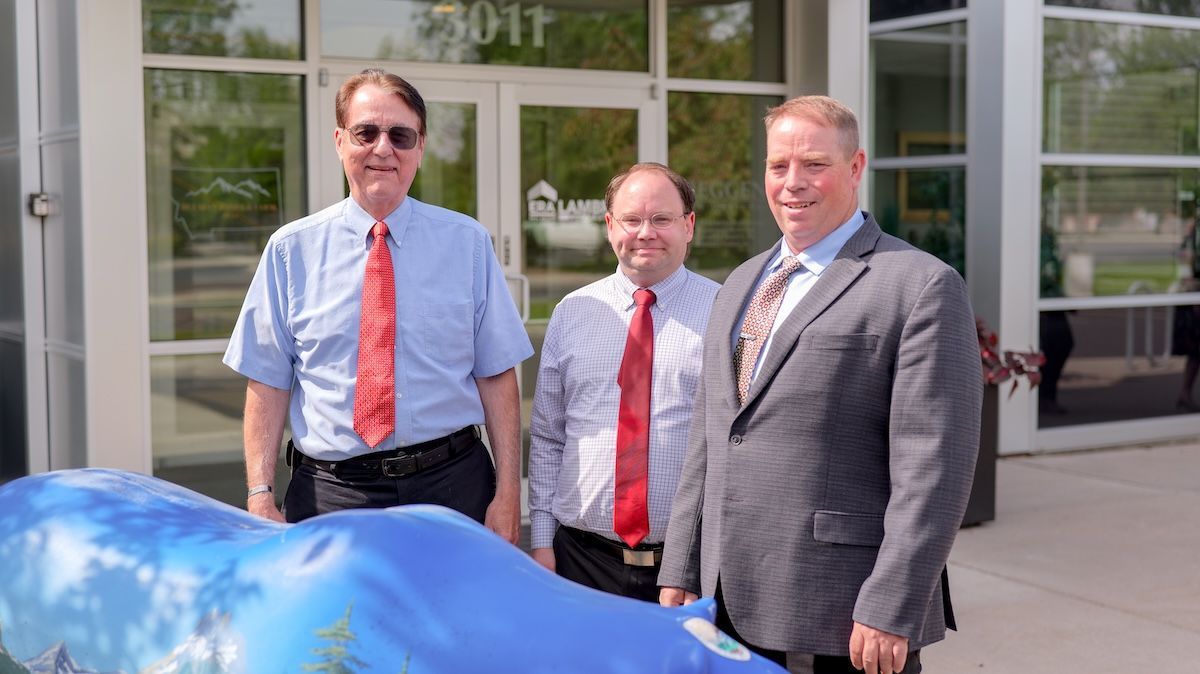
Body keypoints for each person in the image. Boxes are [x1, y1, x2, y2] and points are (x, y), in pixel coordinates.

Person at [657, 96, 982, 674]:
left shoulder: (921, 285)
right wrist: (682, 567)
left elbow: (934, 469)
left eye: (814, 165)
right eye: (778, 165)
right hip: (729, 599)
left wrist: (892, 604)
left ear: (855, 168)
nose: (792, 183)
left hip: (845, 612)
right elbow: (710, 440)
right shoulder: (741, 282)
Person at [223, 68, 532, 544]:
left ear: (420, 147)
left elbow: (496, 374)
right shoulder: (290, 251)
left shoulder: (467, 244)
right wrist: (259, 494)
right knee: (337, 621)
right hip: (332, 493)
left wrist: (509, 492)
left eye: (400, 135)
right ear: (340, 140)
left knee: (452, 620)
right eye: (366, 132)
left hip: (452, 488)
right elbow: (267, 379)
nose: (383, 149)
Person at [528, 163, 719, 602]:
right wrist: (541, 541)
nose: (645, 232)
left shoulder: (725, 312)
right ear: (610, 226)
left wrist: (700, 562)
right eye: (632, 220)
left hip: (687, 566)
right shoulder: (572, 312)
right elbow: (547, 437)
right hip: (580, 560)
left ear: (689, 226)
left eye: (662, 219)